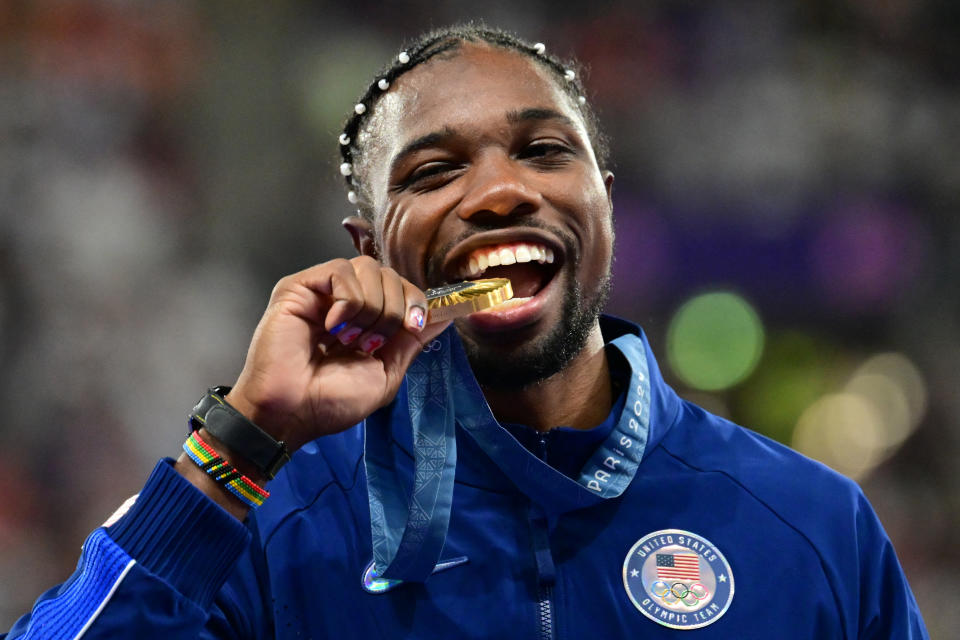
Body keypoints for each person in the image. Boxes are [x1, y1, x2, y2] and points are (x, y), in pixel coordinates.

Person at [3, 24, 928, 639]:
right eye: (434, 169)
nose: (498, 192)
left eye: (543, 150)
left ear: (605, 199)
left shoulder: (813, 525)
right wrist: (243, 439)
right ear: (369, 249)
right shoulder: (272, 526)